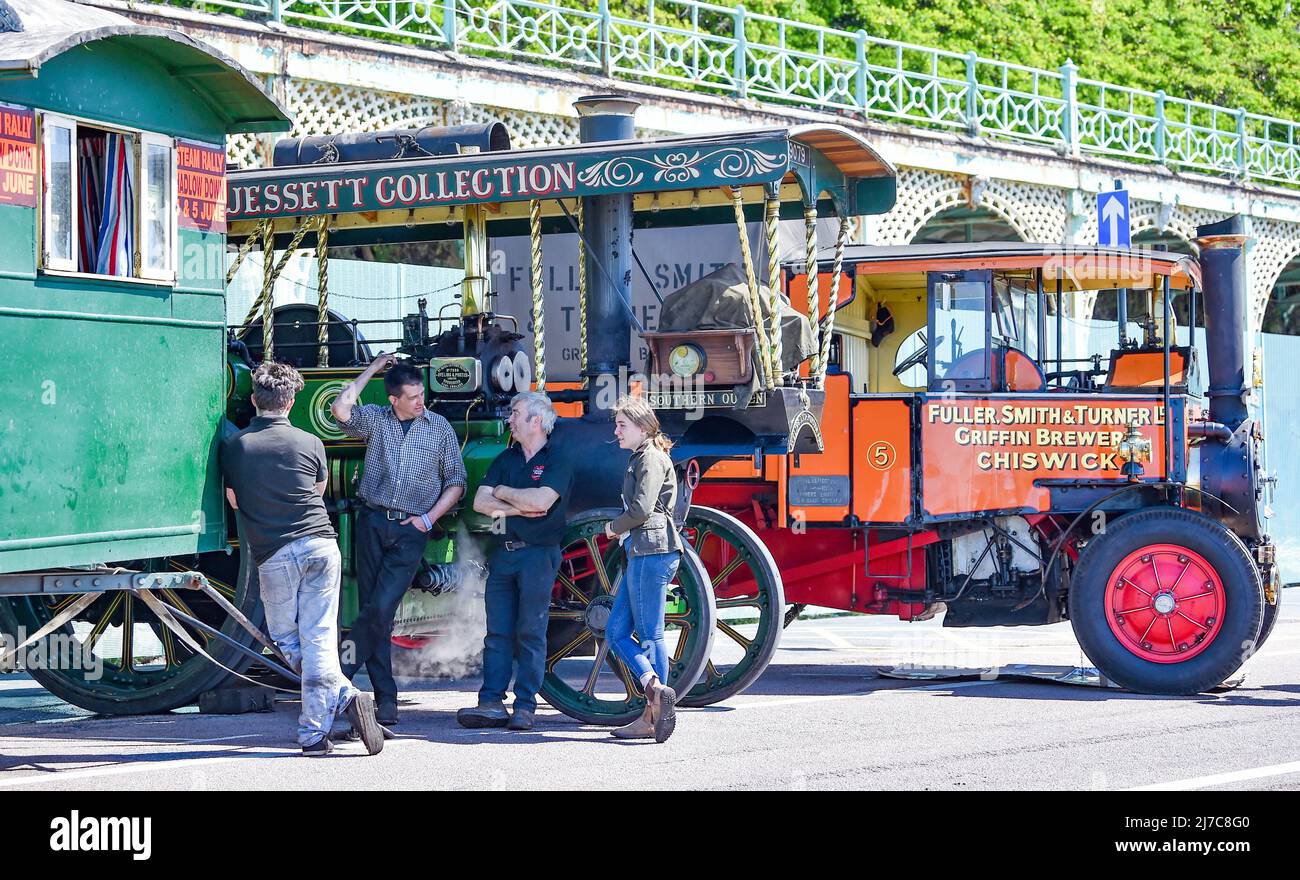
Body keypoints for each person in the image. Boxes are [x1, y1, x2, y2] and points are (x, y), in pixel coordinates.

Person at [222, 362, 384, 757]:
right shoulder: (311, 442)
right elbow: (319, 489)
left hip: (274, 552)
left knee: (287, 640)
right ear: (291, 401)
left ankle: (316, 731)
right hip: (321, 545)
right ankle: (343, 698)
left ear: (255, 400)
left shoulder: (236, 447)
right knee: (318, 639)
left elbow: (235, 500)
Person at [331, 354, 466, 726]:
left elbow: (457, 481)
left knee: (378, 608)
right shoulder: (376, 419)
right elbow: (340, 408)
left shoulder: (439, 428)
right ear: (394, 399)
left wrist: (427, 519)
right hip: (373, 521)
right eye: (412, 397)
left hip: (412, 530)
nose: (421, 402)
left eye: (421, 394)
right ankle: (384, 699)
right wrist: (373, 369)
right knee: (378, 611)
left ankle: (337, 677)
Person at [457, 391, 573, 732]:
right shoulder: (505, 458)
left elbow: (542, 501)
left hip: (538, 554)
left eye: (516, 414)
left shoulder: (558, 459)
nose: (510, 419)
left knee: (530, 631)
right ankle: (490, 702)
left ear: (536, 421)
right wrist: (521, 505)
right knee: (496, 633)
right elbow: (480, 501)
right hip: (503, 553)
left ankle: (525, 706)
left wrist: (503, 493)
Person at [604, 396, 682, 743]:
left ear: (642, 427)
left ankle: (653, 713)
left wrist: (613, 527)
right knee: (615, 631)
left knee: (651, 635)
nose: (616, 431)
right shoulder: (645, 456)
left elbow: (641, 509)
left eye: (622, 425)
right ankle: (653, 689)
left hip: (651, 550)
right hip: (647, 550)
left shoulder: (650, 457)